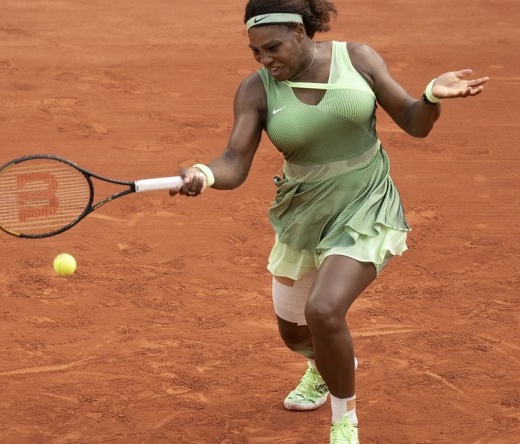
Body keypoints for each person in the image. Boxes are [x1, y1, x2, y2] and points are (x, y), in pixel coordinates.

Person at [171, 1, 489, 442]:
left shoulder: (357, 59)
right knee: (295, 332)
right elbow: (234, 161)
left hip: (366, 203)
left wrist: (432, 97)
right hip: (303, 213)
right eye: (256, 53)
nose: (265, 60)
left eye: (273, 47)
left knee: (323, 310)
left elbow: (415, 123)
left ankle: (345, 423)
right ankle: (324, 366)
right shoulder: (256, 90)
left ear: (301, 32)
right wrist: (203, 174)